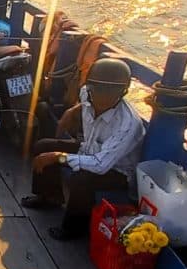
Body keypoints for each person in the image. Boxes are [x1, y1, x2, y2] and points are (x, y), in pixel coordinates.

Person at [21, 58, 146, 240]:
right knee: (43, 146)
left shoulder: (127, 124)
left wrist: (59, 156)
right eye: (98, 90)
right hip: (89, 149)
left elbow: (101, 165)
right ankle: (49, 197)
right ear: (90, 87)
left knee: (81, 180)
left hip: (116, 170)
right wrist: (73, 110)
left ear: (123, 92)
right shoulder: (86, 94)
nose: (102, 97)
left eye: (111, 92)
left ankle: (74, 228)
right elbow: (84, 102)